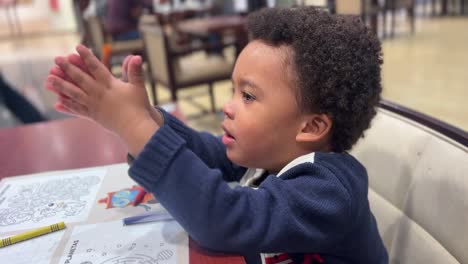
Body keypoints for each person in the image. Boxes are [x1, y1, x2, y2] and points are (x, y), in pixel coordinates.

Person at [46, 7, 388, 264]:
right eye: (233, 91)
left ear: (311, 127)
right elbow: (208, 154)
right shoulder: (271, 153)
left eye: (248, 96)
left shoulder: (329, 193)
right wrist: (149, 119)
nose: (228, 107)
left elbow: (224, 220)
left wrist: (133, 127)